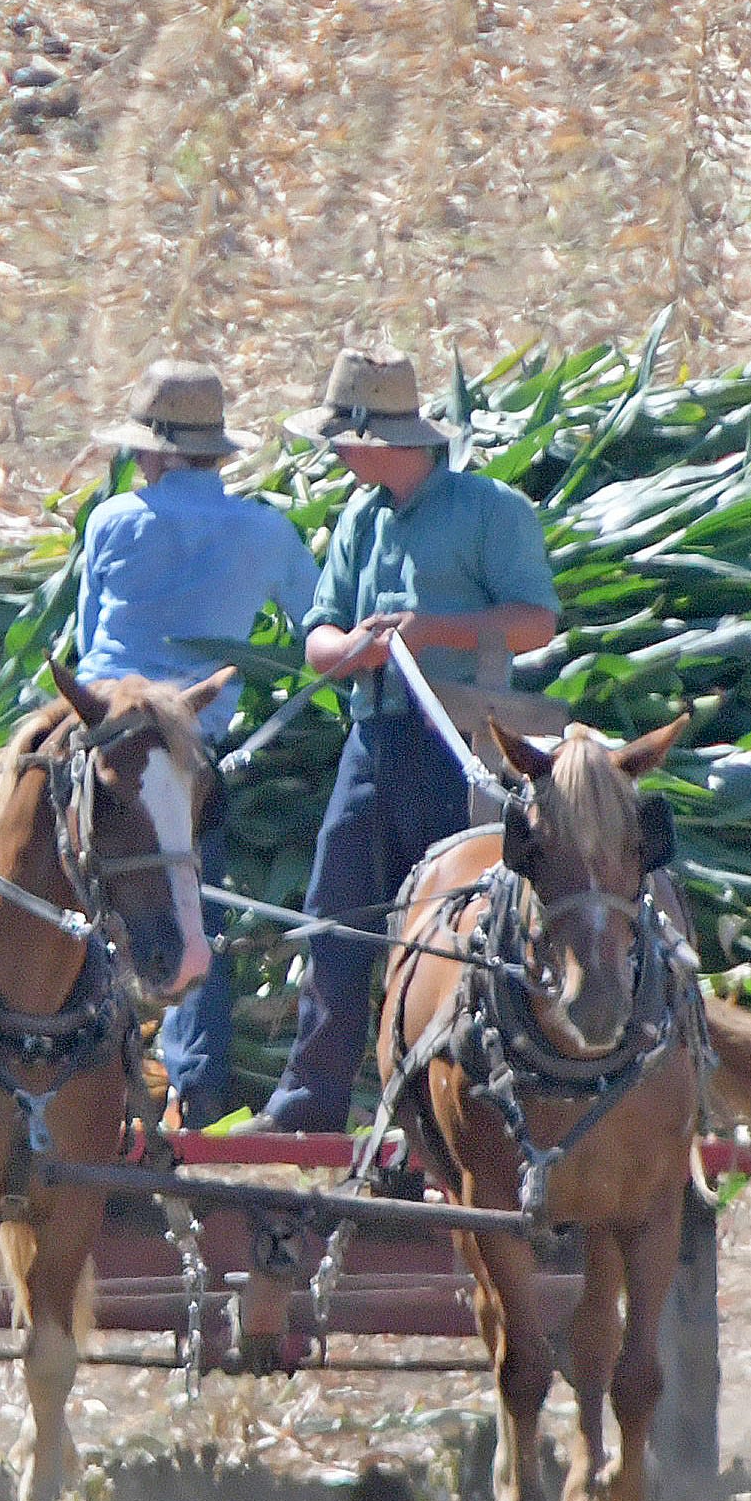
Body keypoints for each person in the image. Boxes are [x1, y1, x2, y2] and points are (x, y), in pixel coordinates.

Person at [269, 348, 560, 1133]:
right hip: (374, 741)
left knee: (457, 920)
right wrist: (350, 649)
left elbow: (535, 621)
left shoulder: (491, 512)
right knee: (337, 914)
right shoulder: (360, 519)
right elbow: (318, 637)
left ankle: (458, 1100)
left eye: (341, 438)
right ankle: (309, 1102)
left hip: (460, 745)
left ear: (376, 437)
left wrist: (434, 632)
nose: (333, 453)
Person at [64, 357, 313, 1119]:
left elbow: (83, 636)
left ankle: (65, 1055)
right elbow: (318, 628)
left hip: (101, 740)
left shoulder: (113, 519)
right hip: (184, 751)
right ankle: (195, 1089)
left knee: (60, 885)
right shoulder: (268, 532)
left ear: (160, 453)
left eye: (141, 447)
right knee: (189, 900)